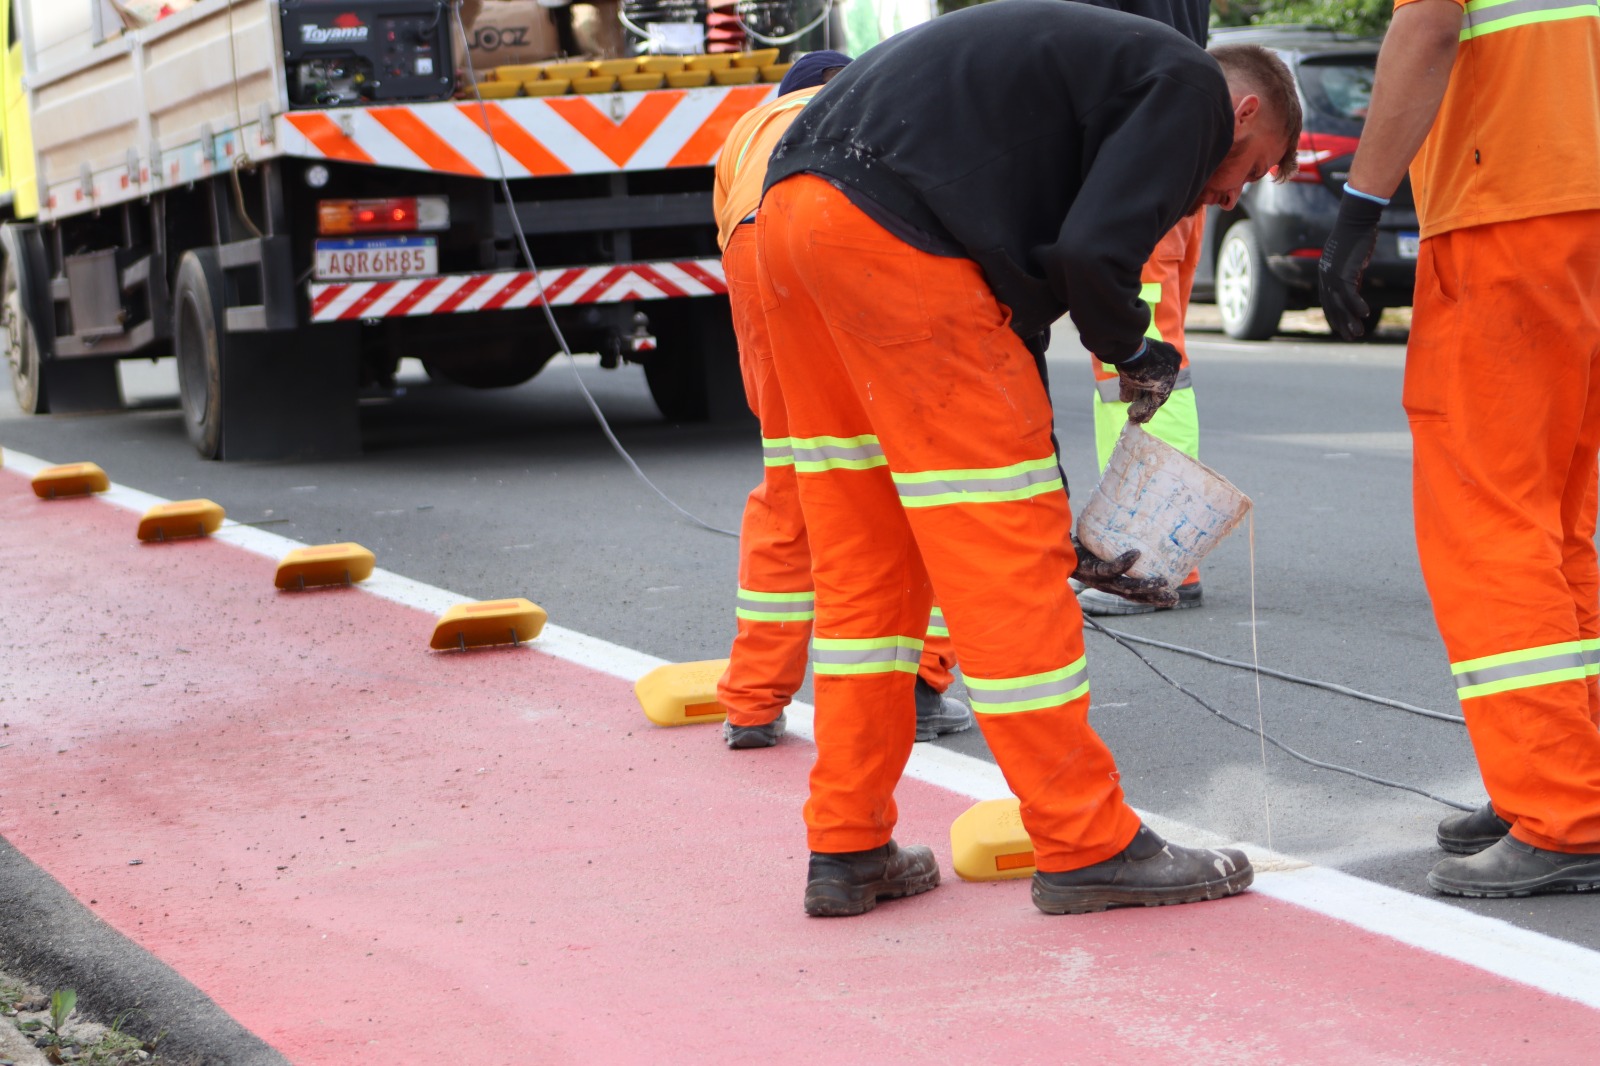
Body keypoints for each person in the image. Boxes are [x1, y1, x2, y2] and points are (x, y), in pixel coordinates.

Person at [757, 0, 1301, 916]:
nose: (1236, 193)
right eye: (1256, 165)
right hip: (904, 240)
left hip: (791, 224)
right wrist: (1137, 351)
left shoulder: (1092, 74)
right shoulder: (1193, 87)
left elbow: (1044, 255)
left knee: (868, 570)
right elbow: (1095, 252)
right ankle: (1087, 844)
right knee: (1007, 560)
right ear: (1244, 115)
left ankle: (848, 846)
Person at [1319, 0, 1600, 896]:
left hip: (1508, 212)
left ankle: (1563, 807)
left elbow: (1430, 25)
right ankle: (1566, 772)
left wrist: (1361, 204)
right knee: (1558, 524)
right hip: (1582, 213)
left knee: (1489, 521)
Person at [711, 50, 975, 750]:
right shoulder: (879, 105)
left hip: (761, 243)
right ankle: (918, 683)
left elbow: (735, 248)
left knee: (793, 485)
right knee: (916, 479)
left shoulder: (748, 128)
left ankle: (753, 703)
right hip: (863, 233)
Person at [1072, 0, 1213, 617]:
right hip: (1163, 145)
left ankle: (1153, 555)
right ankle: (1155, 550)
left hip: (1143, 152)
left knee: (1141, 361)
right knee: (1149, 358)